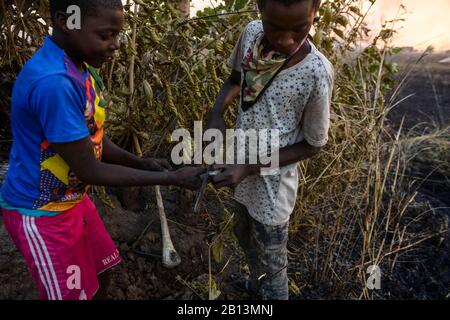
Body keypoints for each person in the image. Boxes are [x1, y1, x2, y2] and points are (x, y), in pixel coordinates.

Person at [0, 0, 204, 300]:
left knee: (102, 268)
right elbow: (90, 169)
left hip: (71, 200)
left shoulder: (78, 67)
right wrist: (172, 179)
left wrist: (142, 162)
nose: (115, 45)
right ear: (66, 21)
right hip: (42, 214)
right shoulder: (54, 83)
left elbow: (91, 138)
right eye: (106, 35)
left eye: (117, 35)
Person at [206, 0, 334, 300]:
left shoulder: (315, 72)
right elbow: (236, 81)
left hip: (272, 188)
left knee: (273, 261)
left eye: (300, 28)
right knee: (244, 236)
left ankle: (270, 292)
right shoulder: (251, 34)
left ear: (316, 12)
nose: (286, 40)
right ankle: (256, 285)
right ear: (259, 8)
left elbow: (314, 144)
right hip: (242, 171)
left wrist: (249, 167)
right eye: (274, 28)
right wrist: (216, 114)